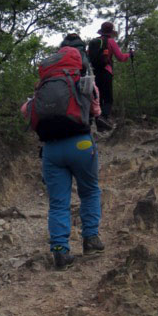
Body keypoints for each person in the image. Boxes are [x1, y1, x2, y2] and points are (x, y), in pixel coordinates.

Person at [22, 46, 104, 270]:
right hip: (81, 144)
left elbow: (26, 111)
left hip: (51, 149)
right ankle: (91, 239)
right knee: (90, 191)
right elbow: (96, 111)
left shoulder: (43, 87)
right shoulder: (82, 81)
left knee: (58, 202)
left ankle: (60, 251)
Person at [89, 21, 133, 123]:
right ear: (111, 31)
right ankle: (104, 118)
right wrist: (129, 55)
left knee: (98, 96)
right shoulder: (111, 41)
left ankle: (97, 119)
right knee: (108, 98)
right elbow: (121, 57)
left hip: (94, 73)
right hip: (106, 72)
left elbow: (88, 56)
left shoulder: (95, 42)